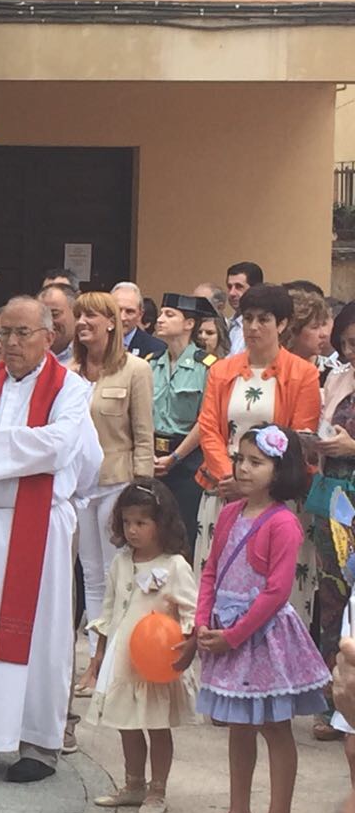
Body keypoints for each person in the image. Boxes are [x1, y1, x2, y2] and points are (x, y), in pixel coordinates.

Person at [0, 296, 103, 783]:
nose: (11, 343)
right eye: (4, 333)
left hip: (39, 527)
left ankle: (38, 743)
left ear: (48, 337)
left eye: (23, 333)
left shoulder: (71, 389)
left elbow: (59, 447)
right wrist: (1, 453)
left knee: (41, 636)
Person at [187, 425, 327, 813]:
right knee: (239, 725)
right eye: (240, 459)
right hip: (227, 631)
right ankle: (238, 810)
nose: (243, 469)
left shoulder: (283, 523)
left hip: (262, 639)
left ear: (279, 470)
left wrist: (233, 635)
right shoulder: (230, 512)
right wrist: (202, 621)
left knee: (274, 726)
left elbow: (276, 592)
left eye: (256, 462)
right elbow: (211, 570)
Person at [193, 284, 320, 634]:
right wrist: (231, 477)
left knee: (275, 591)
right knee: (219, 580)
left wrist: (257, 485)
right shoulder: (221, 370)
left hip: (277, 497)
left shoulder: (303, 374)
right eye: (247, 318)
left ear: (282, 324)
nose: (253, 327)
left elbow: (299, 440)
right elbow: (209, 429)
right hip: (225, 489)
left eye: (264, 319)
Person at [86, 482, 196, 813]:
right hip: (123, 660)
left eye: (141, 523)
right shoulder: (121, 562)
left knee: (157, 725)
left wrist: (187, 645)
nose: (132, 530)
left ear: (161, 523)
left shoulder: (174, 566)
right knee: (127, 724)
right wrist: (99, 654)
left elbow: (191, 611)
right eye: (127, 522)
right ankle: (133, 783)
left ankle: (157, 788)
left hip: (157, 663)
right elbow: (108, 610)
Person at [69, 290, 154, 695]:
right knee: (90, 574)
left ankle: (114, 661)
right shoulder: (69, 371)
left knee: (114, 571)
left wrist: (142, 488)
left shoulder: (135, 369)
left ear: (110, 323)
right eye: (79, 315)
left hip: (118, 482)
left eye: (91, 316)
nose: (82, 322)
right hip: (80, 485)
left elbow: (143, 433)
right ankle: (94, 659)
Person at [150, 293, 218, 552]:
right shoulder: (150, 363)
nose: (160, 319)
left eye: (169, 315)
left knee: (184, 532)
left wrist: (175, 457)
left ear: (189, 324)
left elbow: (206, 419)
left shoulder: (207, 366)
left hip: (188, 459)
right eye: (161, 313)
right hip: (152, 456)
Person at [314, 301, 355, 680]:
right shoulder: (338, 378)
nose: (350, 351)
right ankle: (333, 686)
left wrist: (352, 448)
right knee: (332, 589)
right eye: (345, 344)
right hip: (335, 498)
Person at [111, 281, 163, 361]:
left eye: (129, 311)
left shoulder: (157, 349)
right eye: (117, 310)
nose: (122, 318)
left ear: (140, 315)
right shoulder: (94, 344)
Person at [225, 262, 263, 356]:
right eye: (229, 287)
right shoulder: (227, 325)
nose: (232, 293)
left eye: (239, 287)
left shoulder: (261, 327)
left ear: (255, 289)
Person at [38, 284, 75, 363]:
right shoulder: (27, 356)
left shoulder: (90, 355)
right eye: (42, 316)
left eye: (54, 314)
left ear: (75, 313)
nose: (48, 322)